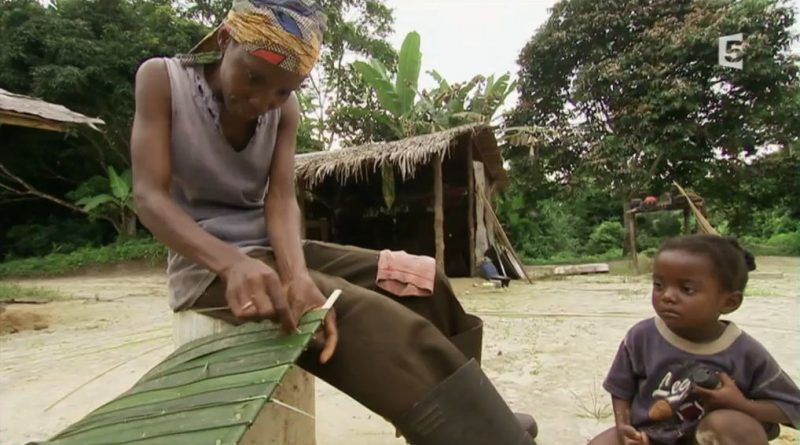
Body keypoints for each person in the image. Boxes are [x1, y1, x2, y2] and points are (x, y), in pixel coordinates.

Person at [129, 1, 536, 443]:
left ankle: (479, 415)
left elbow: (280, 198)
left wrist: (296, 275)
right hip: (206, 269)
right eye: (254, 78)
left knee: (421, 280)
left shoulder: (285, 110)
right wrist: (231, 264)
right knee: (377, 323)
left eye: (283, 91)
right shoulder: (162, 80)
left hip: (275, 248)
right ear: (226, 39)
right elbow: (149, 197)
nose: (264, 101)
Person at [589, 235, 800, 445]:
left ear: (729, 302)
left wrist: (742, 405)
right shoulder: (641, 337)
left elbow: (793, 407)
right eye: (659, 285)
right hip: (649, 436)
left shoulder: (744, 352)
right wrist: (624, 427)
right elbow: (621, 389)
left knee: (731, 425)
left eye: (686, 289)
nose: (667, 296)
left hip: (710, 437)